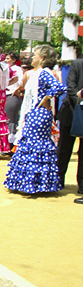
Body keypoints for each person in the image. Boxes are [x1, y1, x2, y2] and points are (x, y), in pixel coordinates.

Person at [4, 46, 66, 194]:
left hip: (39, 114)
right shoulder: (37, 73)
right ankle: (33, 183)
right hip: (35, 113)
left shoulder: (44, 73)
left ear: (42, 58)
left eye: (35, 55)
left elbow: (59, 88)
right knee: (33, 146)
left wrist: (46, 98)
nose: (32, 58)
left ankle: (33, 184)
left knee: (34, 147)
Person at [58, 56, 83, 198]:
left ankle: (82, 184)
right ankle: (58, 179)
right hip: (71, 113)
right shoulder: (77, 63)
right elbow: (70, 86)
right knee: (63, 149)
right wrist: (79, 100)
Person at [4, 51, 24, 146]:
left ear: (14, 60)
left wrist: (17, 89)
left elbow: (22, 81)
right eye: (6, 58)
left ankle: (10, 144)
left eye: (8, 58)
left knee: (11, 120)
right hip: (3, 96)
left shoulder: (17, 69)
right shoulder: (5, 68)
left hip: (12, 96)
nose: (6, 60)